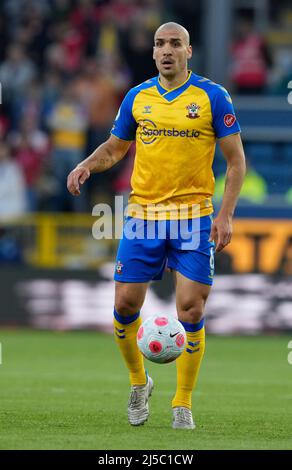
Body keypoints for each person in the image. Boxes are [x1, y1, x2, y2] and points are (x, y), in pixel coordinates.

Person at [67, 22, 246, 429]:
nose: (167, 50)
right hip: (143, 217)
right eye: (160, 44)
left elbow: (236, 162)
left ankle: (182, 402)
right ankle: (138, 382)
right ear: (152, 52)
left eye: (175, 44)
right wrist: (86, 165)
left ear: (188, 51)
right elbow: (115, 148)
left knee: (191, 308)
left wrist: (226, 214)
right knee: (125, 306)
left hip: (193, 218)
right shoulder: (138, 97)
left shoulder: (212, 97)